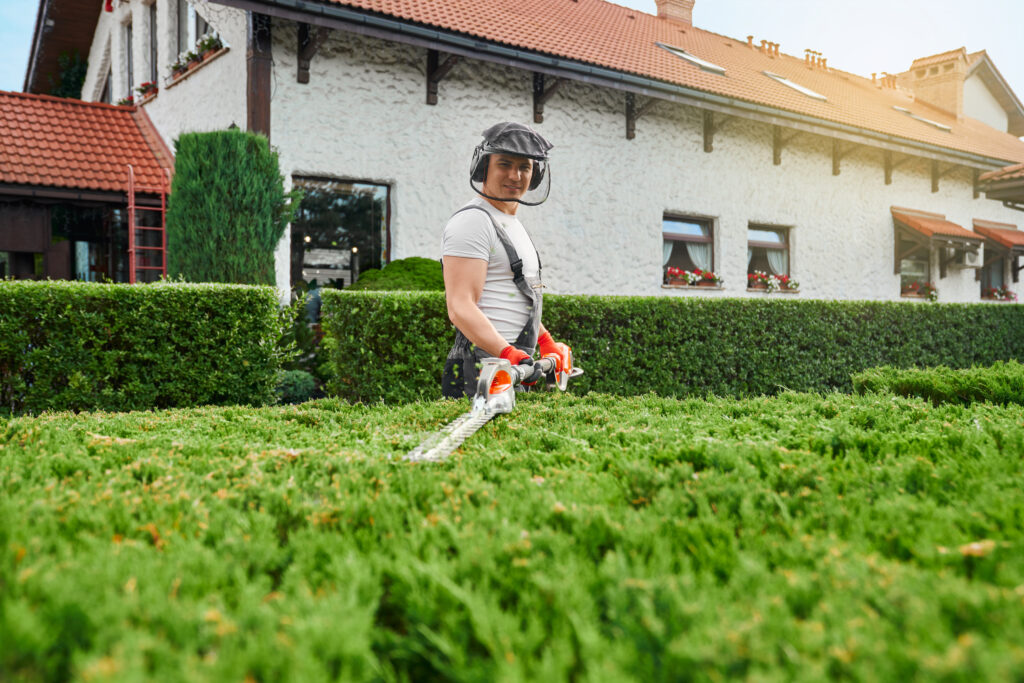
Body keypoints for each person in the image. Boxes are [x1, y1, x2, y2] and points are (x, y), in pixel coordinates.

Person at [440, 122, 570, 398]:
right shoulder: (473, 221)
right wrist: (509, 352)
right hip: (480, 370)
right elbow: (459, 306)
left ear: (535, 175)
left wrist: (546, 343)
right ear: (483, 167)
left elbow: (517, 296)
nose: (515, 175)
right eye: (505, 164)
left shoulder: (511, 223)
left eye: (525, 167)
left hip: (511, 367)